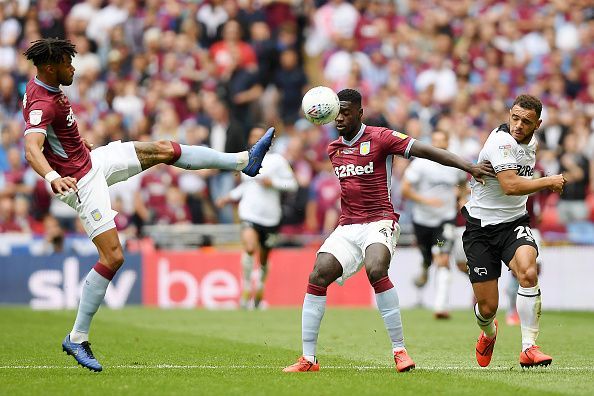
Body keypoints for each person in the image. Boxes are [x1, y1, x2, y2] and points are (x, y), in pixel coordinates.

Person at [22, 38, 275, 372]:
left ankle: (244, 160)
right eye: (68, 63)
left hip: (91, 162)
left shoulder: (47, 87)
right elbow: (32, 148)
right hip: (80, 183)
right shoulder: (43, 100)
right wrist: (53, 175)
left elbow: (52, 134)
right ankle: (77, 337)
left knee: (162, 149)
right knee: (113, 256)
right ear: (51, 66)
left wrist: (74, 143)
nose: (73, 68)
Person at [283, 89, 495, 373]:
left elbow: (426, 151)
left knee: (376, 268)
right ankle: (308, 359)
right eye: (338, 111)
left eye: (347, 112)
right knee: (318, 273)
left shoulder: (380, 137)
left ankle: (399, 351)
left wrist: (468, 166)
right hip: (348, 225)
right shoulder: (334, 149)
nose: (341, 117)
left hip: (381, 221)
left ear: (360, 113)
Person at [462, 94, 565, 368]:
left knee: (528, 272)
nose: (518, 125)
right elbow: (509, 185)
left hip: (514, 223)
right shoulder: (500, 141)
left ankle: (529, 347)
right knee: (487, 308)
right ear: (509, 114)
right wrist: (548, 181)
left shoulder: (532, 142)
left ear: (537, 124)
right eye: (515, 118)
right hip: (481, 228)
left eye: (526, 121)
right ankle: (488, 332)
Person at [216, 126, 298, 309]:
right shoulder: (247, 158)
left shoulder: (277, 161)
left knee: (263, 259)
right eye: (253, 136)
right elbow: (247, 186)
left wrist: (274, 183)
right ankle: (246, 287)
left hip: (271, 217)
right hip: (249, 213)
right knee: (250, 248)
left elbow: (292, 184)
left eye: (259, 137)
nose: (255, 140)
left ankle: (260, 286)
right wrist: (229, 197)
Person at [401, 130, 467, 319]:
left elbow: (462, 184)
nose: (439, 144)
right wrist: (424, 200)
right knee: (428, 257)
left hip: (444, 221)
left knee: (442, 257)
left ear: (448, 142)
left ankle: (441, 306)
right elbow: (405, 190)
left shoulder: (454, 163)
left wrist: (461, 198)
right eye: (435, 141)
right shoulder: (420, 165)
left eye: (442, 141)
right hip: (422, 221)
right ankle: (425, 265)